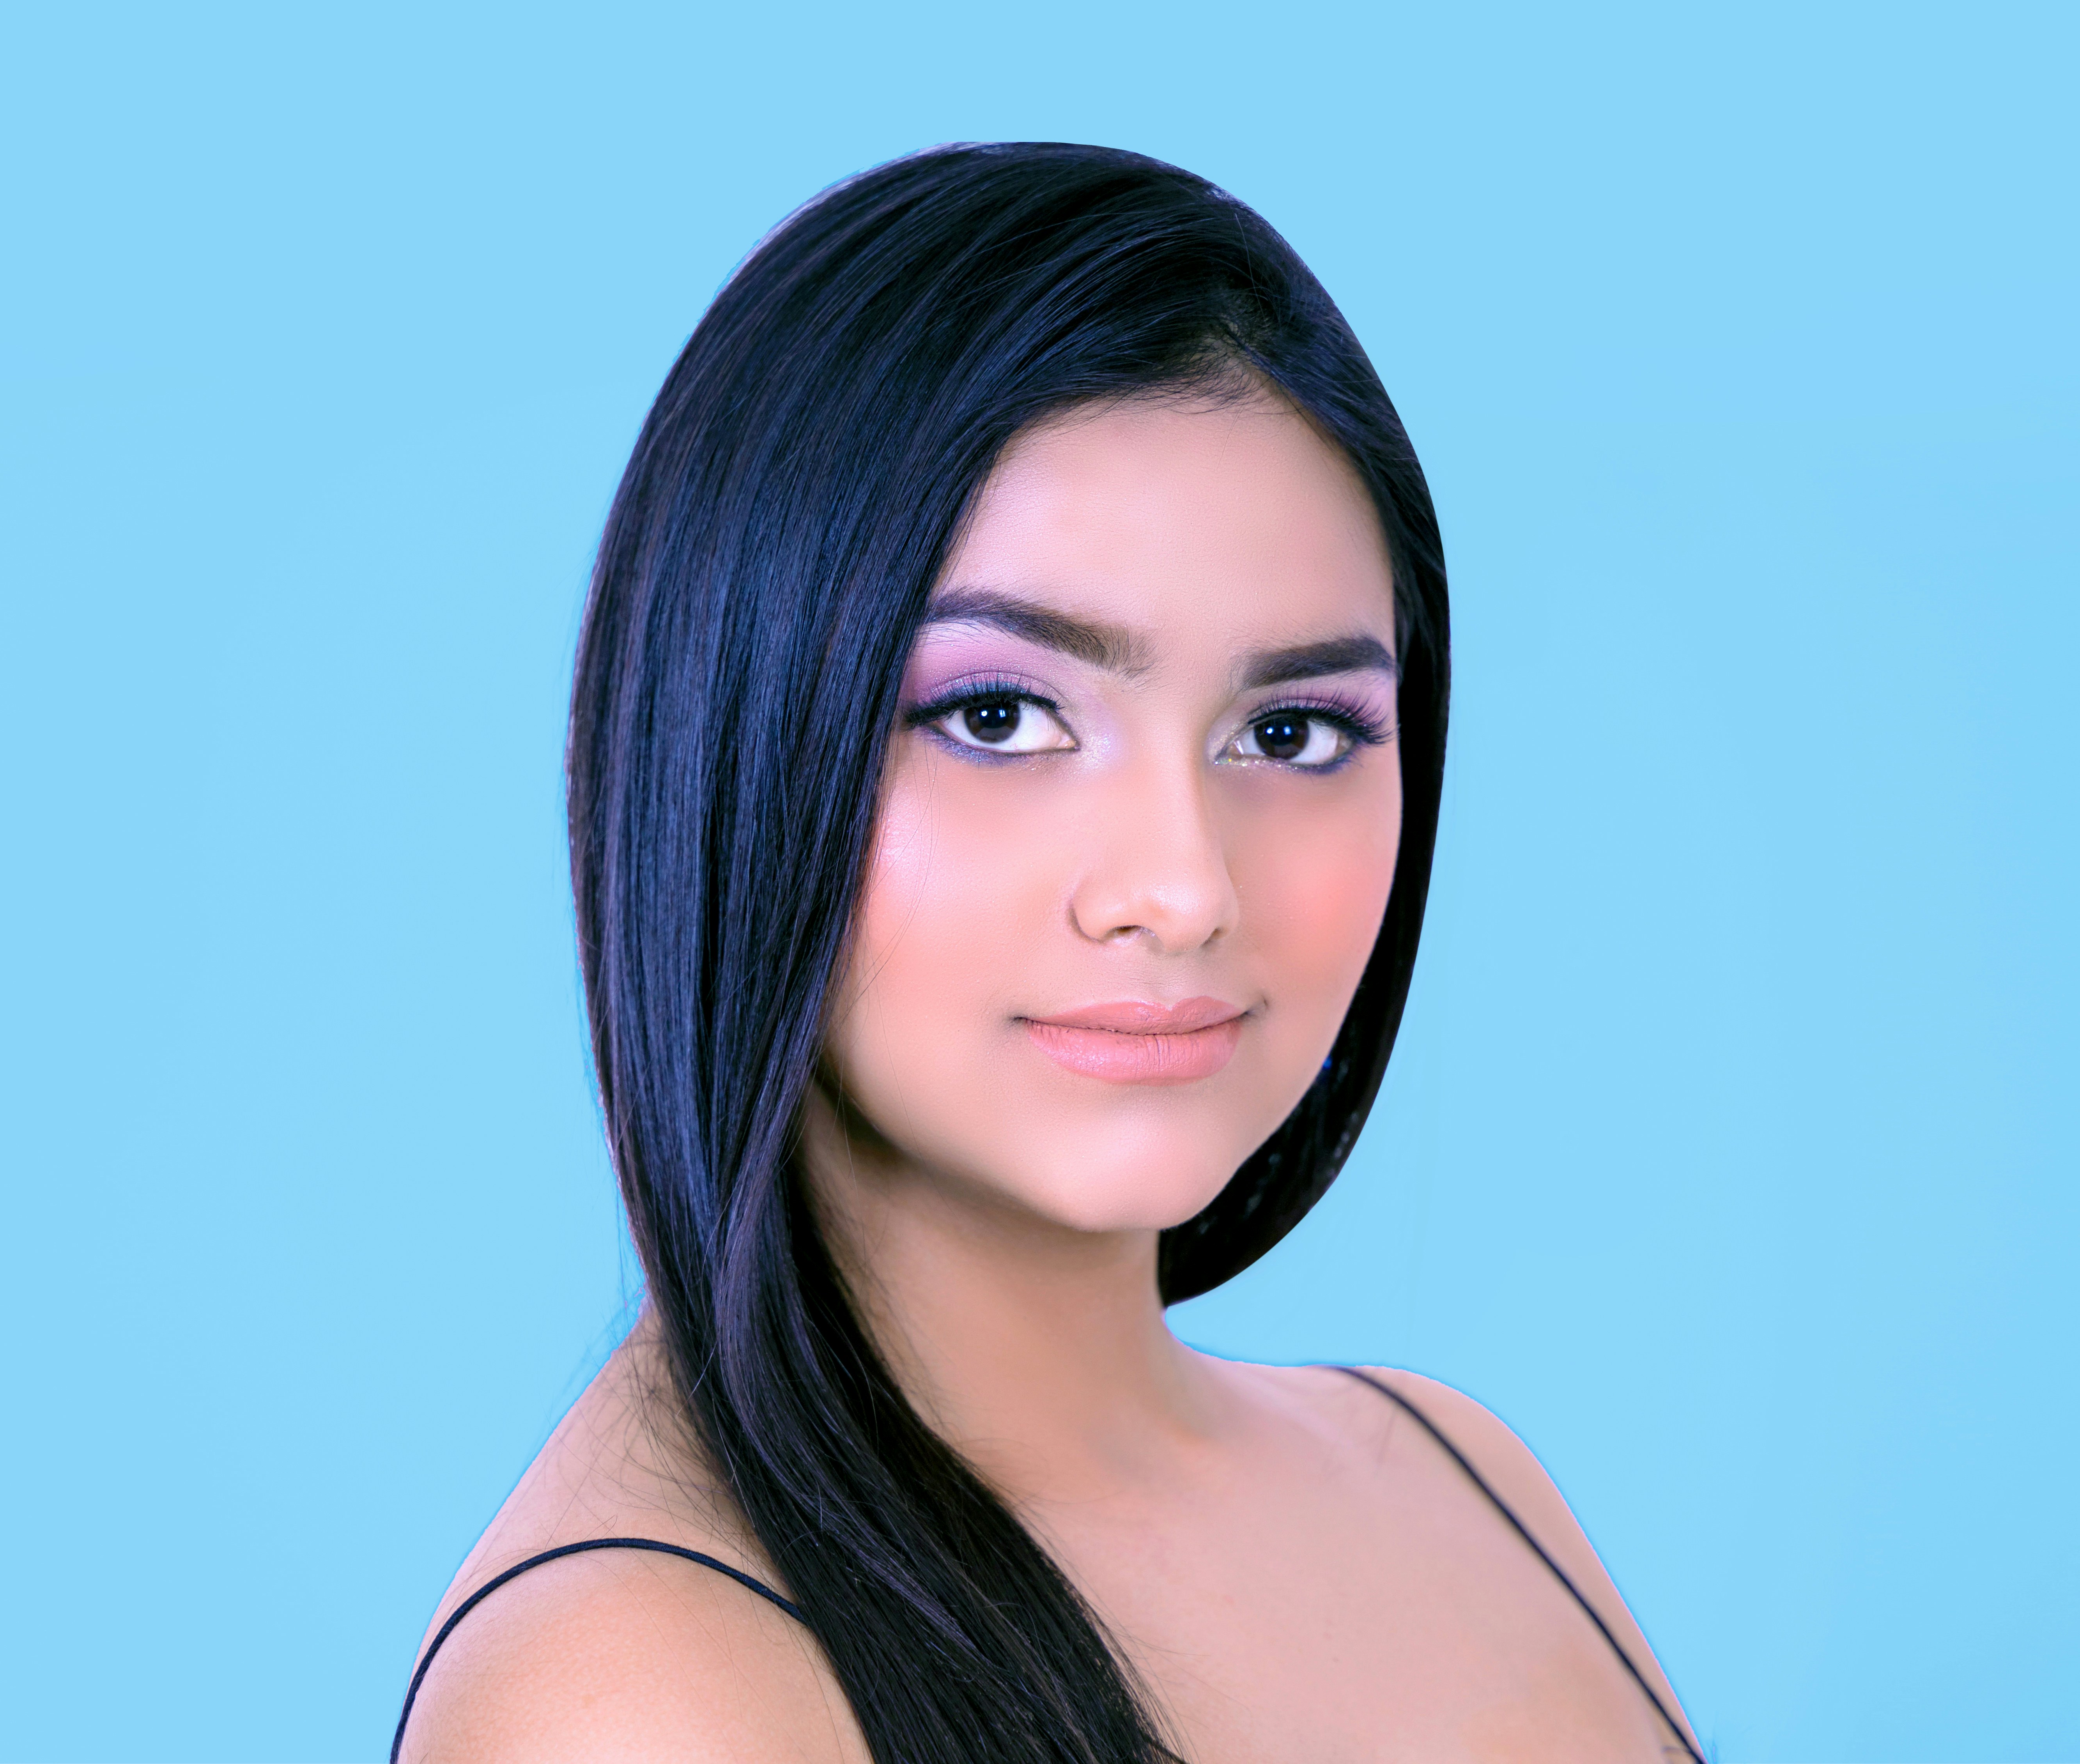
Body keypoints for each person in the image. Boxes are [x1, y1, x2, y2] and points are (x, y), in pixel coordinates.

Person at [394, 144, 1698, 1762]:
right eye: (999, 716)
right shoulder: (639, 1698)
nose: (1181, 888)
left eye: (1290, 731)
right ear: (729, 738)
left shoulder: (1460, 1474)